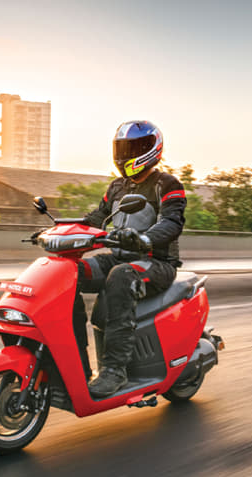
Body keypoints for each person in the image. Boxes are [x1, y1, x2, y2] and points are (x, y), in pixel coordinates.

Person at [74, 120, 187, 398]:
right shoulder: (116, 187)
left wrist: (145, 239)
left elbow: (172, 222)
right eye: (123, 148)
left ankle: (115, 371)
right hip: (119, 259)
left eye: (134, 148)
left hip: (156, 263)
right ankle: (76, 364)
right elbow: (96, 219)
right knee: (70, 274)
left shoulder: (167, 184)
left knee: (122, 276)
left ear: (152, 149)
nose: (126, 155)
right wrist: (59, 229)